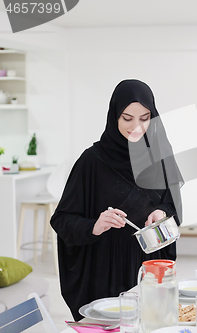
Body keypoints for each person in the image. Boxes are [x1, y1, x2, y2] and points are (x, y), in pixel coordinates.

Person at [50, 79, 183, 320]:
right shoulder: (91, 161)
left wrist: (161, 212)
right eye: (127, 118)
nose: (136, 126)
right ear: (114, 117)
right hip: (105, 268)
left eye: (144, 118)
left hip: (149, 265)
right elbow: (62, 219)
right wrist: (95, 225)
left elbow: (173, 205)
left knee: (154, 323)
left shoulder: (161, 155)